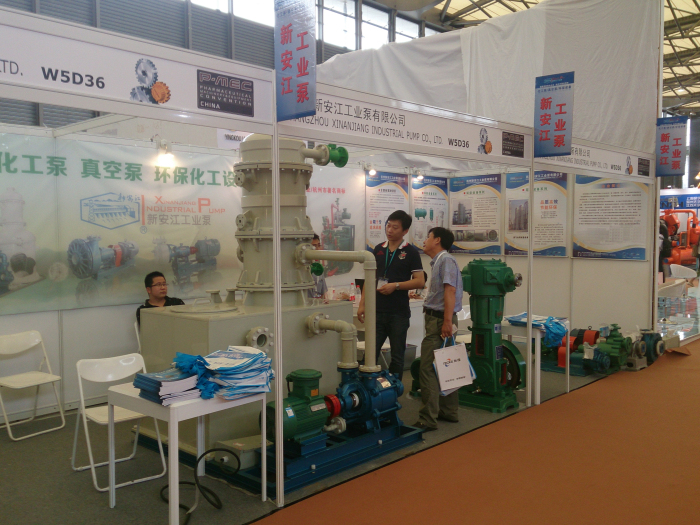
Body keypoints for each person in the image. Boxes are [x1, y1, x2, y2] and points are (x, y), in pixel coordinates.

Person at [357, 210, 424, 380]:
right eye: (388, 225)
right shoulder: (378, 249)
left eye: (395, 227)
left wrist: (396, 286)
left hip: (398, 313)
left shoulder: (411, 252)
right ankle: (367, 388)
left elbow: (420, 281)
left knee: (397, 356)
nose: (389, 230)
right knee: (370, 354)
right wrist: (362, 304)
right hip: (377, 311)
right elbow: (369, 279)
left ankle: (395, 389)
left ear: (405, 231)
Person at [413, 227, 464, 432]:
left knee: (427, 368)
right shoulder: (440, 262)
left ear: (437, 240)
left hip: (440, 321)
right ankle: (448, 411)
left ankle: (428, 418)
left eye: (428, 237)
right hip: (441, 319)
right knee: (445, 364)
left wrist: (446, 321)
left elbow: (450, 291)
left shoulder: (446, 261)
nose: (425, 240)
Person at [308, 234, 328, 299]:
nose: (317, 249)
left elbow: (323, 294)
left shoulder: (318, 268)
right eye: (314, 246)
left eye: (319, 245)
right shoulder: (300, 270)